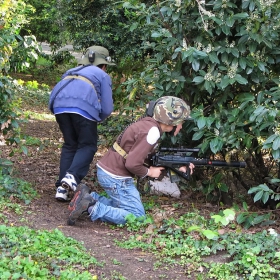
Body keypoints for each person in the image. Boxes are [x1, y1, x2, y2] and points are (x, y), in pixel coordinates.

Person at [67, 96, 194, 226]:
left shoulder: (148, 125)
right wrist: (149, 172)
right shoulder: (153, 131)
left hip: (109, 171)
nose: (181, 126)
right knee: (137, 217)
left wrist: (176, 167)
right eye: (181, 122)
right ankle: (90, 206)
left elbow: (145, 157)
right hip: (116, 178)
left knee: (123, 208)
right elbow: (133, 163)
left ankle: (89, 197)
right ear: (171, 119)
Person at [48, 45, 115, 201]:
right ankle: (72, 176)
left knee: (70, 144)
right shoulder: (102, 75)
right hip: (83, 108)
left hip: (60, 108)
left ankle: (61, 188)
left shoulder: (71, 72)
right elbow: (107, 108)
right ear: (104, 65)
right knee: (88, 145)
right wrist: (97, 118)